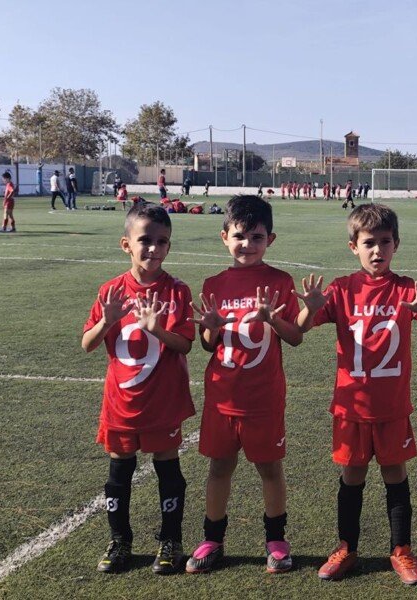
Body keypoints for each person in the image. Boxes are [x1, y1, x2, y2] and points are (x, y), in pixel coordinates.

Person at [295, 204, 417, 585]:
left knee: (395, 474)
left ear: (396, 245)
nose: (377, 251)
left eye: (385, 242)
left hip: (392, 406)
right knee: (353, 474)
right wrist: (308, 309)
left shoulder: (406, 287)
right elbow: (302, 328)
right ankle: (346, 547)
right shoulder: (342, 289)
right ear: (353, 247)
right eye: (368, 243)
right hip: (351, 405)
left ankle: (402, 551)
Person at [185, 196, 314, 574]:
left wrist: (272, 319)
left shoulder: (279, 281)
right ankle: (213, 538)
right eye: (240, 236)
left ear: (270, 239)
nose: (247, 244)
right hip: (222, 397)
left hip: (263, 398)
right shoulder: (214, 283)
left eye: (256, 237)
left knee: (270, 470)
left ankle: (276, 540)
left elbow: (295, 337)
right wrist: (210, 325)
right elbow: (209, 345)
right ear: (224, 236)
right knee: (219, 468)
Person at [81, 204, 196, 575]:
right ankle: (120, 541)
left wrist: (156, 329)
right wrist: (106, 322)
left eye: (162, 242)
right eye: (145, 240)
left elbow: (184, 345)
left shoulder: (177, 291)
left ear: (169, 247)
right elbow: (87, 344)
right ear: (126, 243)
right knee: (119, 471)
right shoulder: (111, 290)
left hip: (162, 402)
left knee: (168, 469)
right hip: (120, 403)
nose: (153, 249)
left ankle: (170, 541)